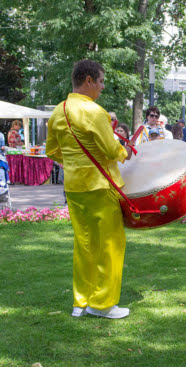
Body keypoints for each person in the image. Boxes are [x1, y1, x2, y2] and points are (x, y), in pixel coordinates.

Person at [46, 59, 134, 319]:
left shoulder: (58, 111)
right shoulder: (95, 111)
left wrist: (74, 164)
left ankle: (80, 302)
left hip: (74, 187)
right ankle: (103, 303)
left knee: (84, 244)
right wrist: (125, 151)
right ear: (88, 80)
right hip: (100, 185)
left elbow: (52, 150)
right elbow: (111, 150)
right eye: (101, 81)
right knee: (110, 244)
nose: (102, 87)